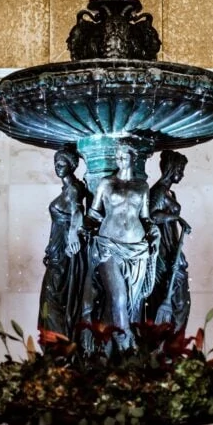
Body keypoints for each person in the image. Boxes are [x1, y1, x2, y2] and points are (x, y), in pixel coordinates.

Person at [82, 141, 161, 350]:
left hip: (137, 249)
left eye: (124, 156)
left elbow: (145, 217)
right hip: (108, 246)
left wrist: (154, 230)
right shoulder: (106, 184)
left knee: (124, 303)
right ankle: (127, 347)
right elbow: (93, 214)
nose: (120, 160)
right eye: (117, 156)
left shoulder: (142, 187)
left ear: (133, 158)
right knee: (118, 296)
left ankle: (103, 350)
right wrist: (77, 226)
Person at [38, 146, 90, 342]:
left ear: (72, 165)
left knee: (53, 298)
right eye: (56, 164)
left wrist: (73, 236)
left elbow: (77, 211)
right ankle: (58, 343)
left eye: (62, 163)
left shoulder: (74, 189)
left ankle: (60, 343)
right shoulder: (70, 188)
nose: (57, 167)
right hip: (57, 251)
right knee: (52, 298)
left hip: (64, 253)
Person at [147, 150, 192, 333]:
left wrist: (177, 220)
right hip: (163, 253)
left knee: (181, 302)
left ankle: (173, 344)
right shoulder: (158, 192)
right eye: (180, 169)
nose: (181, 174)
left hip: (172, 247)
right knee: (175, 300)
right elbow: (151, 216)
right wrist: (175, 218)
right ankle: (165, 345)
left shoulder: (169, 192)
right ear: (170, 169)